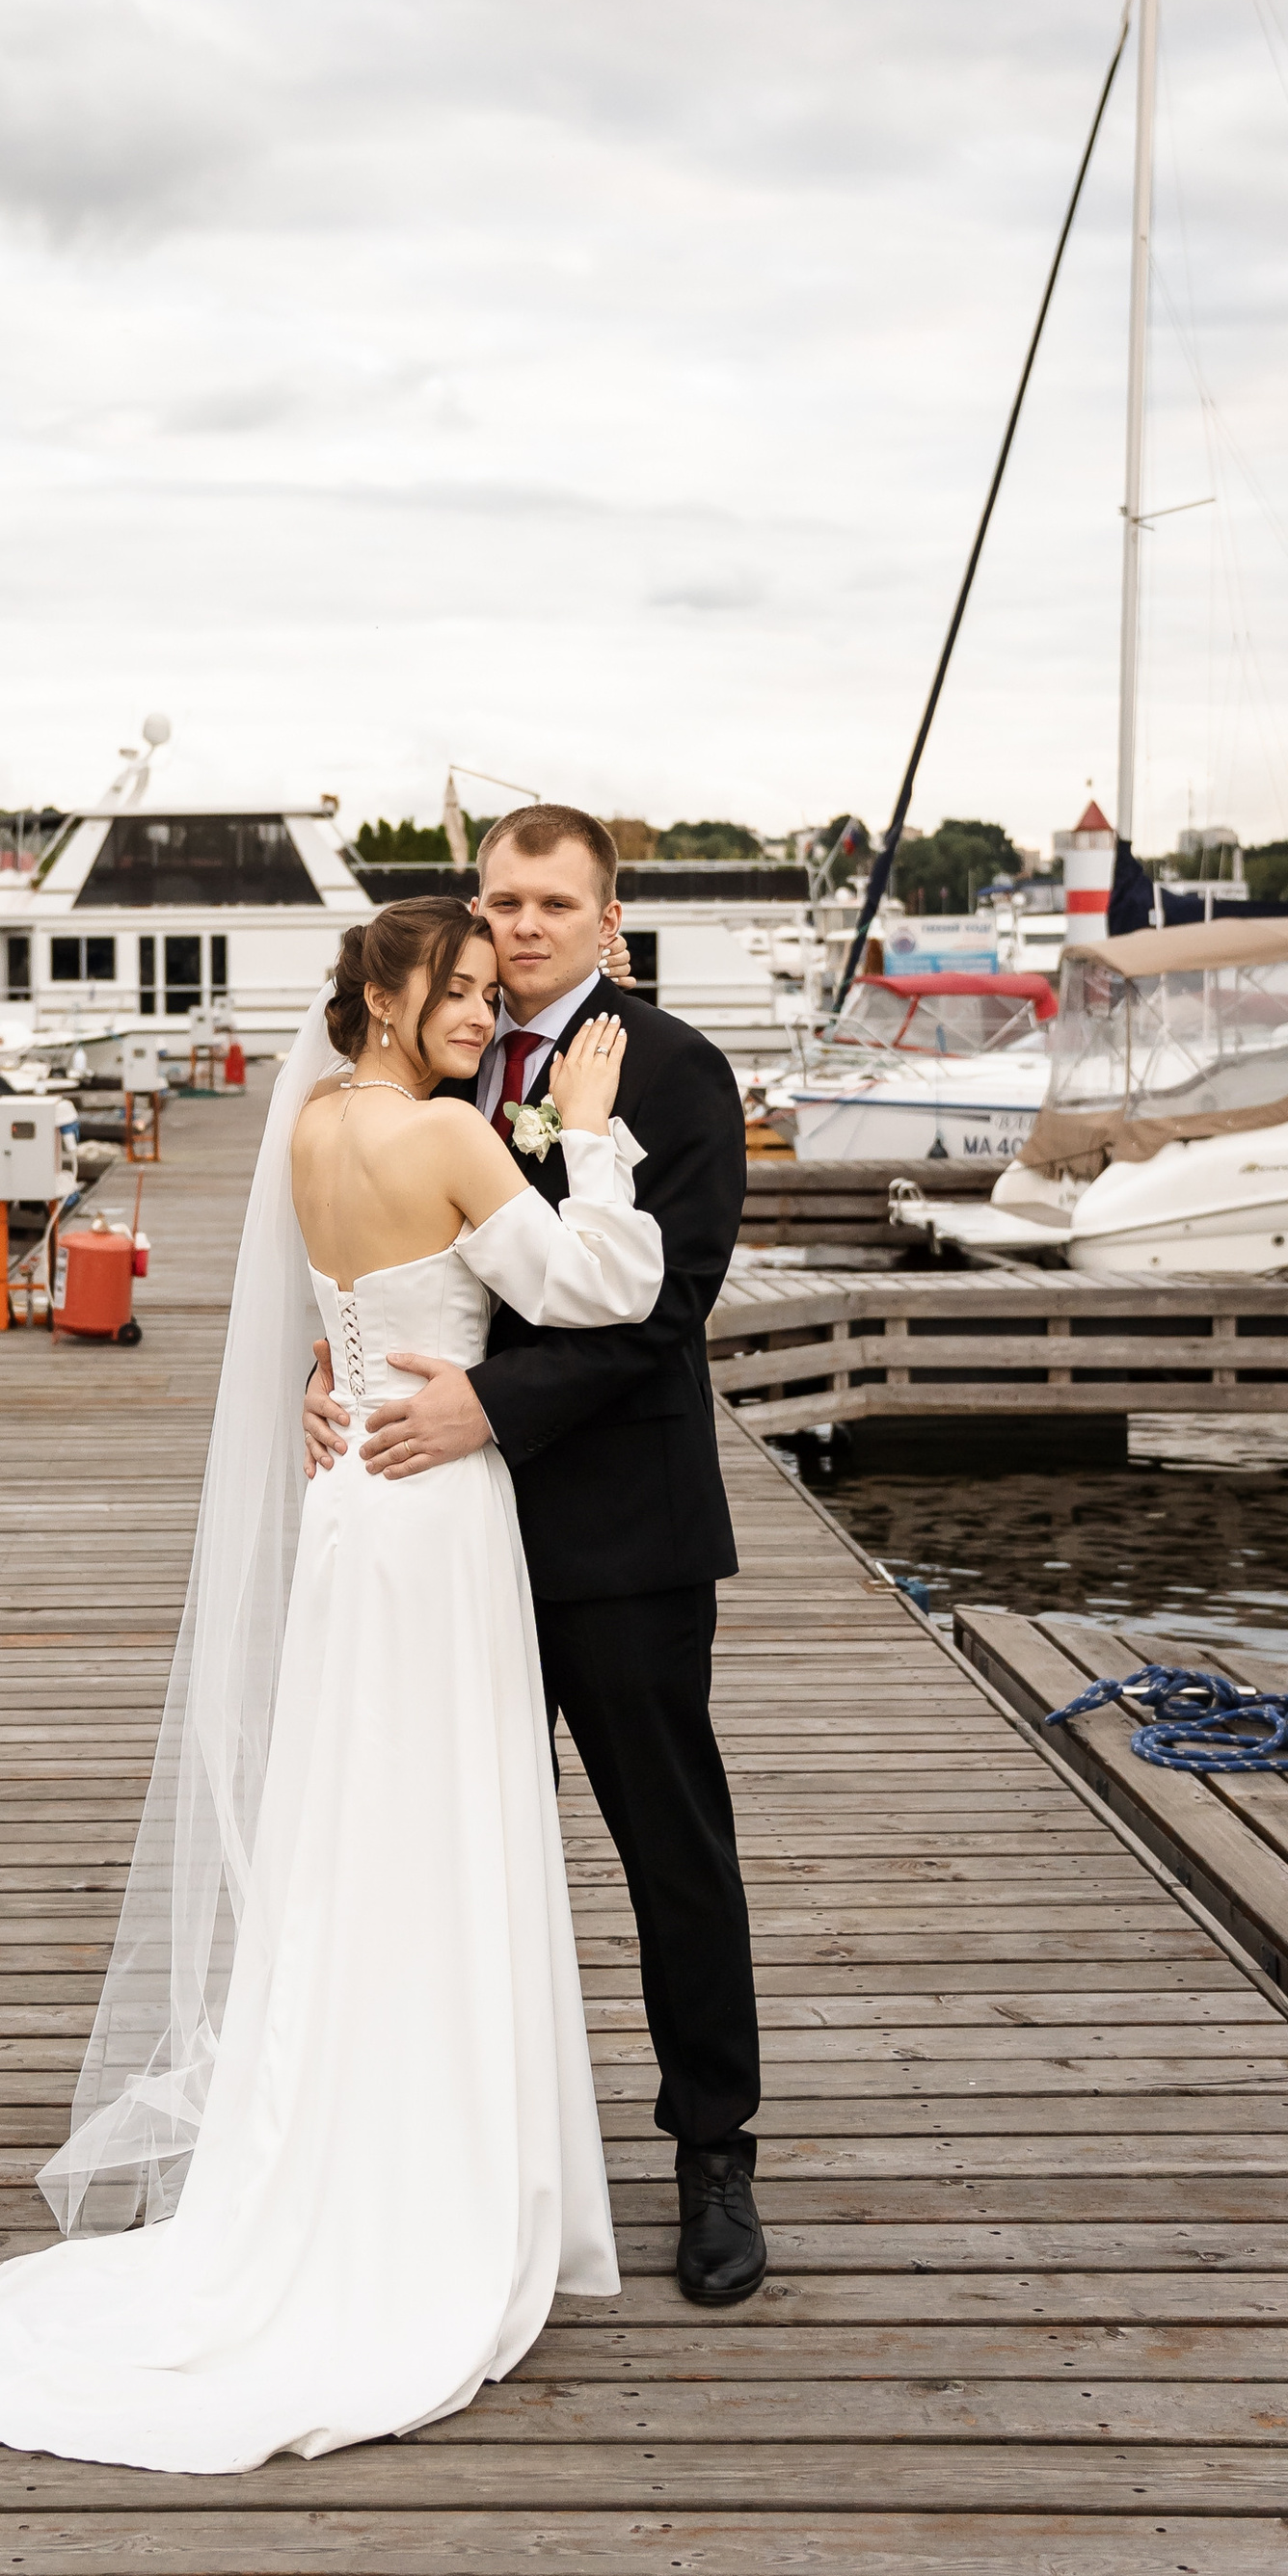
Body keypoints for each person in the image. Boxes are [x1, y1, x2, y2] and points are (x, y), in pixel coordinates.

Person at [0, 900, 664, 2473]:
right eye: (455, 991)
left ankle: (337, 2135)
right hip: (439, 1515)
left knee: (348, 1829)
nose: (477, 1011)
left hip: (347, 1511)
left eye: (482, 990)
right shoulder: (453, 1140)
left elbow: (344, 1317)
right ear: (388, 999)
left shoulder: (314, 1125)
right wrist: (589, 1137)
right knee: (434, 1829)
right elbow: (603, 1289)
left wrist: (333, 1377)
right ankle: (429, 2177)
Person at [307, 801, 764, 2307]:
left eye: (550, 903)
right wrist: (343, 1378)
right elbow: (394, 1263)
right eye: (499, 900)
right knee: (447, 1849)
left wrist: (485, 1410)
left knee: (669, 1853)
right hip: (444, 1543)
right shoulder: (441, 1066)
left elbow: (663, 1309)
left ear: (606, 914)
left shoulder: (676, 1071)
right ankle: (450, 2153)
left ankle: (713, 2158)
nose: (519, 926)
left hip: (615, 1536)